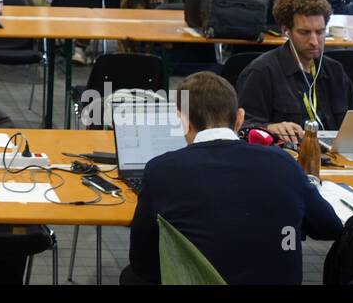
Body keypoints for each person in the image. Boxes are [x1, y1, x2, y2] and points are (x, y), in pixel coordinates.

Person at [125, 71, 342, 285]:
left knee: (132, 276)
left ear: (183, 122)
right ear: (239, 118)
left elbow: (143, 262)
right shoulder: (284, 163)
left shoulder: (161, 170)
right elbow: (329, 227)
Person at [237, 0, 353, 144]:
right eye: (304, 33)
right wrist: (269, 128)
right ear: (286, 30)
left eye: (320, 32)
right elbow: (243, 128)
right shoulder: (262, 72)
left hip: (335, 158)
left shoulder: (334, 70)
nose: (314, 42)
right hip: (288, 157)